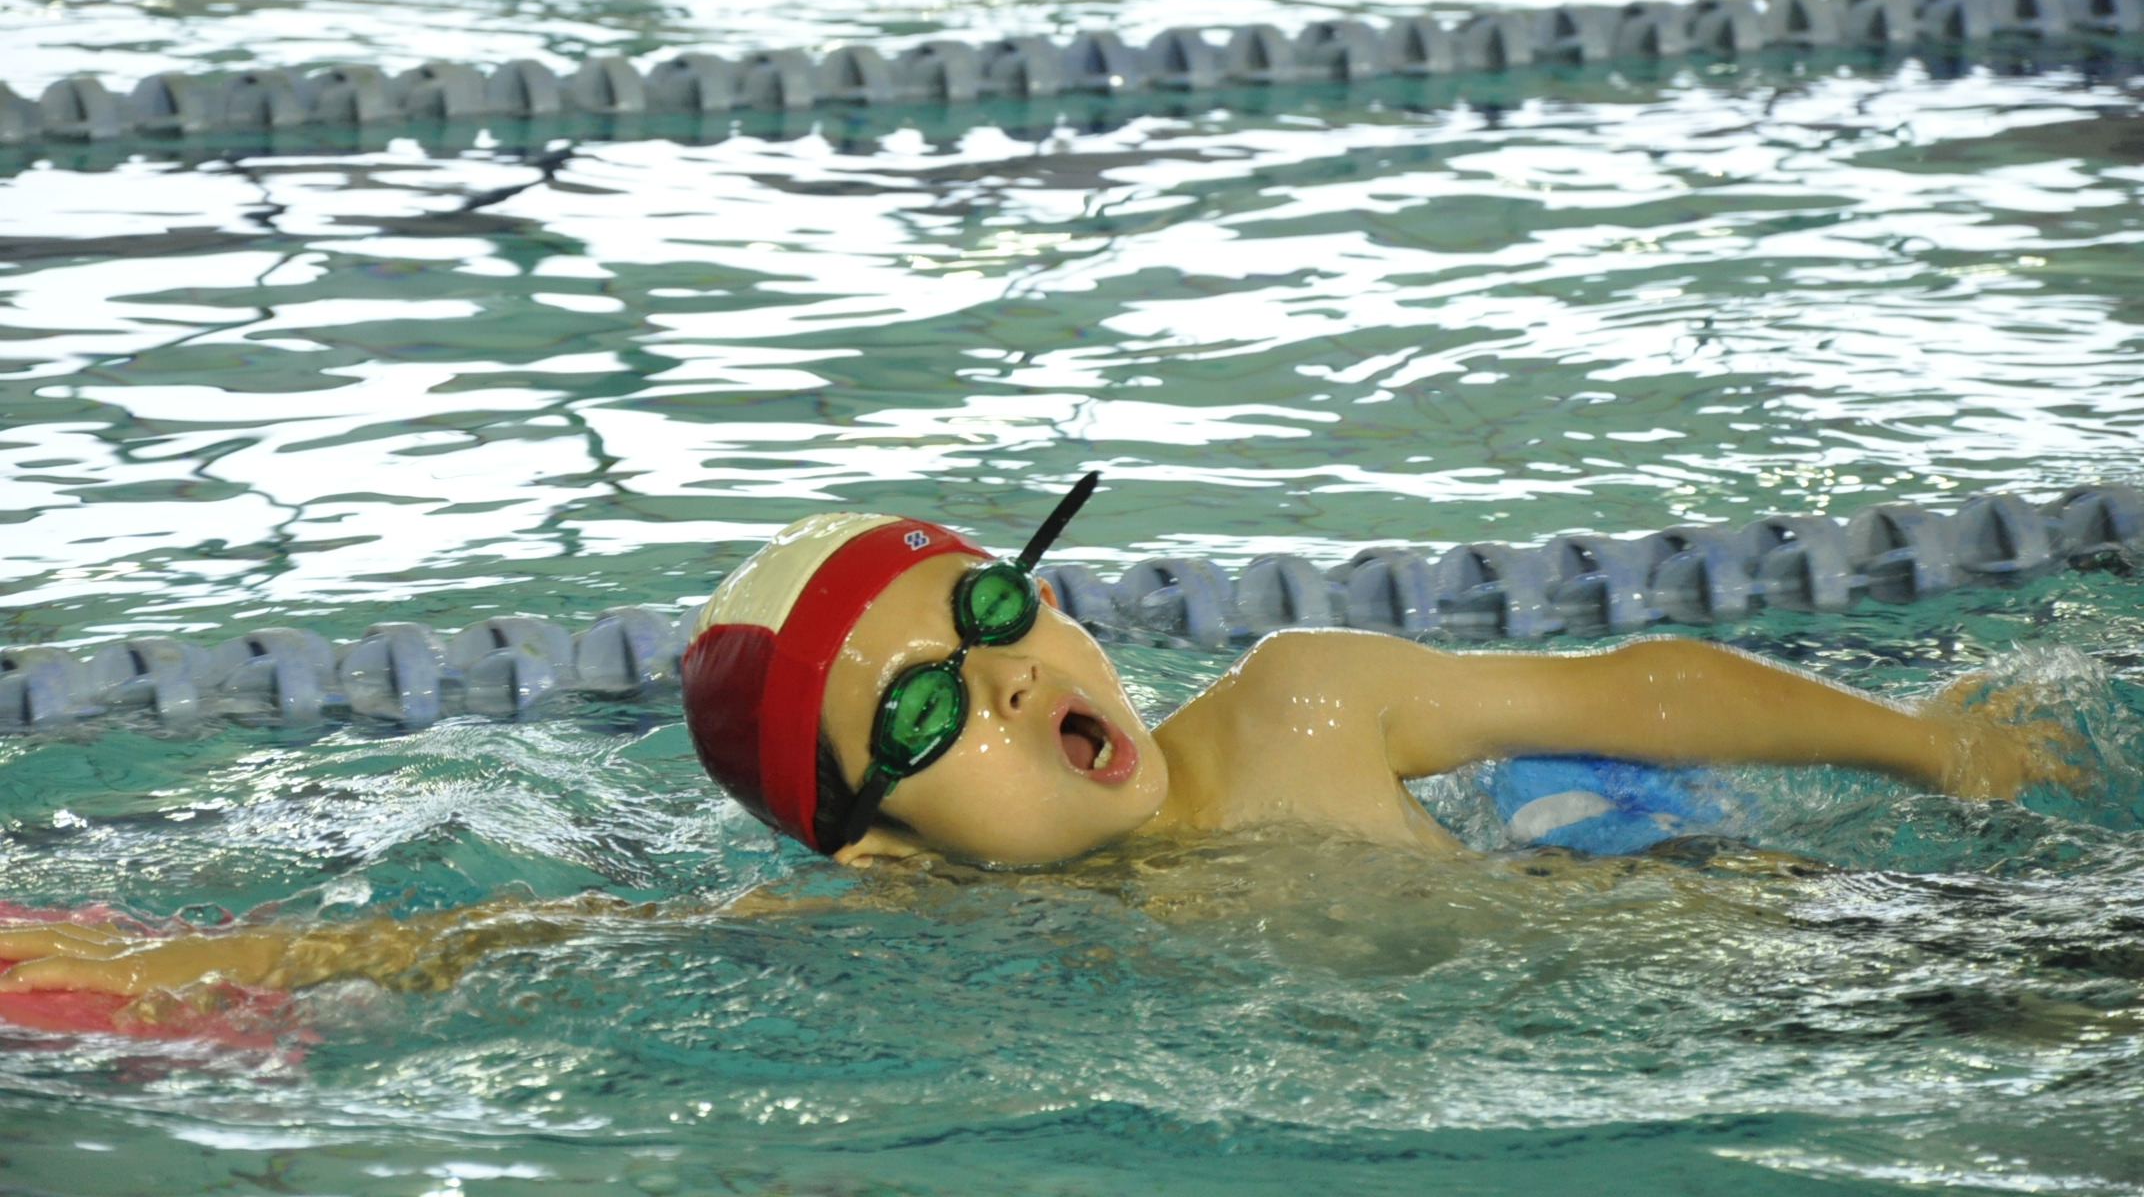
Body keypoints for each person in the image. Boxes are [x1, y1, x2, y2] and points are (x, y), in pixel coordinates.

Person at [0, 473, 2078, 1025]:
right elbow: (543, 946)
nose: (999, 686)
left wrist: (1922, 744)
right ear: (886, 841)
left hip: (1789, 949)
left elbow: (1636, 688)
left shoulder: (1305, 708)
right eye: (922, 715)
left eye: (991, 621)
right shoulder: (927, 929)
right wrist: (207, 972)